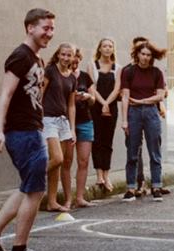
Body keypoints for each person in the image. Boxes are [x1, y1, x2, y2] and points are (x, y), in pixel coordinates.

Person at [0, 8, 56, 251]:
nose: (49, 33)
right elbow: (6, 95)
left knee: (27, 187)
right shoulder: (20, 56)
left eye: (52, 28)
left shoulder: (36, 58)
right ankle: (19, 250)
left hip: (32, 130)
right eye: (45, 28)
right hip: (21, 132)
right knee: (35, 190)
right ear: (29, 27)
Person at [120, 40, 167, 202]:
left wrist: (141, 101)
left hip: (151, 113)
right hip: (133, 114)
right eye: (143, 54)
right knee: (132, 151)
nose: (145, 58)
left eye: (148, 55)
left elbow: (160, 95)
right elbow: (125, 97)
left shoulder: (156, 73)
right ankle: (131, 188)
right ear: (137, 54)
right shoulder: (128, 72)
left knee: (154, 150)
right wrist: (124, 120)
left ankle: (156, 185)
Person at [41, 42, 76, 212]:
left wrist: (72, 129)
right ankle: (31, 178)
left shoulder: (72, 77)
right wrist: (37, 118)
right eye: (63, 54)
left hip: (63, 122)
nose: (65, 58)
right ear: (58, 54)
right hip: (48, 119)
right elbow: (39, 94)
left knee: (57, 165)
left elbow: (71, 105)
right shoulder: (50, 71)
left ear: (73, 57)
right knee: (57, 158)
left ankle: (52, 201)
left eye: (69, 55)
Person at [89, 37, 120, 193]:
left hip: (111, 107)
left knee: (108, 141)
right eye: (105, 46)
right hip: (96, 106)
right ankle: (99, 175)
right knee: (97, 140)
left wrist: (108, 104)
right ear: (99, 49)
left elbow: (117, 89)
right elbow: (91, 88)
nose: (107, 48)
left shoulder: (117, 68)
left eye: (110, 46)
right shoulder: (92, 66)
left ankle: (107, 175)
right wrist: (103, 103)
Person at [65, 47, 95, 208]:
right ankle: (68, 198)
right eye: (72, 59)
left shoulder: (85, 77)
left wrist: (87, 96)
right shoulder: (62, 75)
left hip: (85, 121)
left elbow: (94, 100)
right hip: (67, 122)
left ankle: (80, 197)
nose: (74, 62)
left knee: (83, 160)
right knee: (67, 162)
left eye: (77, 59)